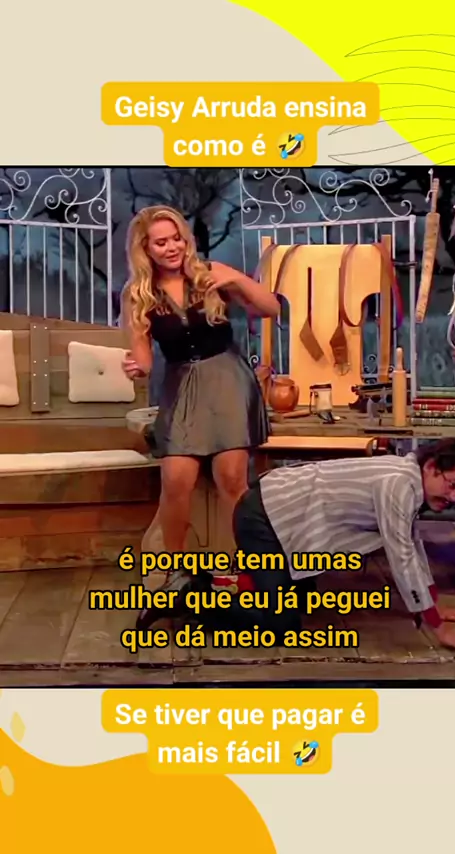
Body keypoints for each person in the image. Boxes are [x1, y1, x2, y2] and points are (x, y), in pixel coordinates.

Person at [138, 437, 455, 653]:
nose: (453, 498)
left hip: (285, 522)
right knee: (281, 628)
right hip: (264, 520)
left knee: (301, 600)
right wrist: (438, 628)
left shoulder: (410, 481)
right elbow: (401, 555)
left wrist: (433, 605)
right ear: (431, 467)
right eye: (451, 485)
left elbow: (412, 544)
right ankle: (188, 595)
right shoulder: (399, 485)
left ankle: (210, 583)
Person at [120, 205, 280, 624]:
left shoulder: (210, 273)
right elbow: (144, 360)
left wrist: (237, 280)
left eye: (176, 238)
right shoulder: (138, 294)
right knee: (176, 479)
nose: (171, 247)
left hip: (227, 379)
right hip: (182, 385)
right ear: (146, 249)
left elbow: (271, 308)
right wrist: (135, 367)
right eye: (161, 242)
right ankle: (172, 575)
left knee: (232, 480)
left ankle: (243, 574)